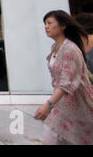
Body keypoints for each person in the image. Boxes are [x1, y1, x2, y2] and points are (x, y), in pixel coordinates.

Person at [34, 10, 93, 145]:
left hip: (79, 103)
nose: (46, 27)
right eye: (45, 24)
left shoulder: (70, 49)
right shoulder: (56, 47)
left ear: (62, 26)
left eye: (49, 23)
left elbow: (65, 82)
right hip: (63, 104)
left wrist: (48, 105)